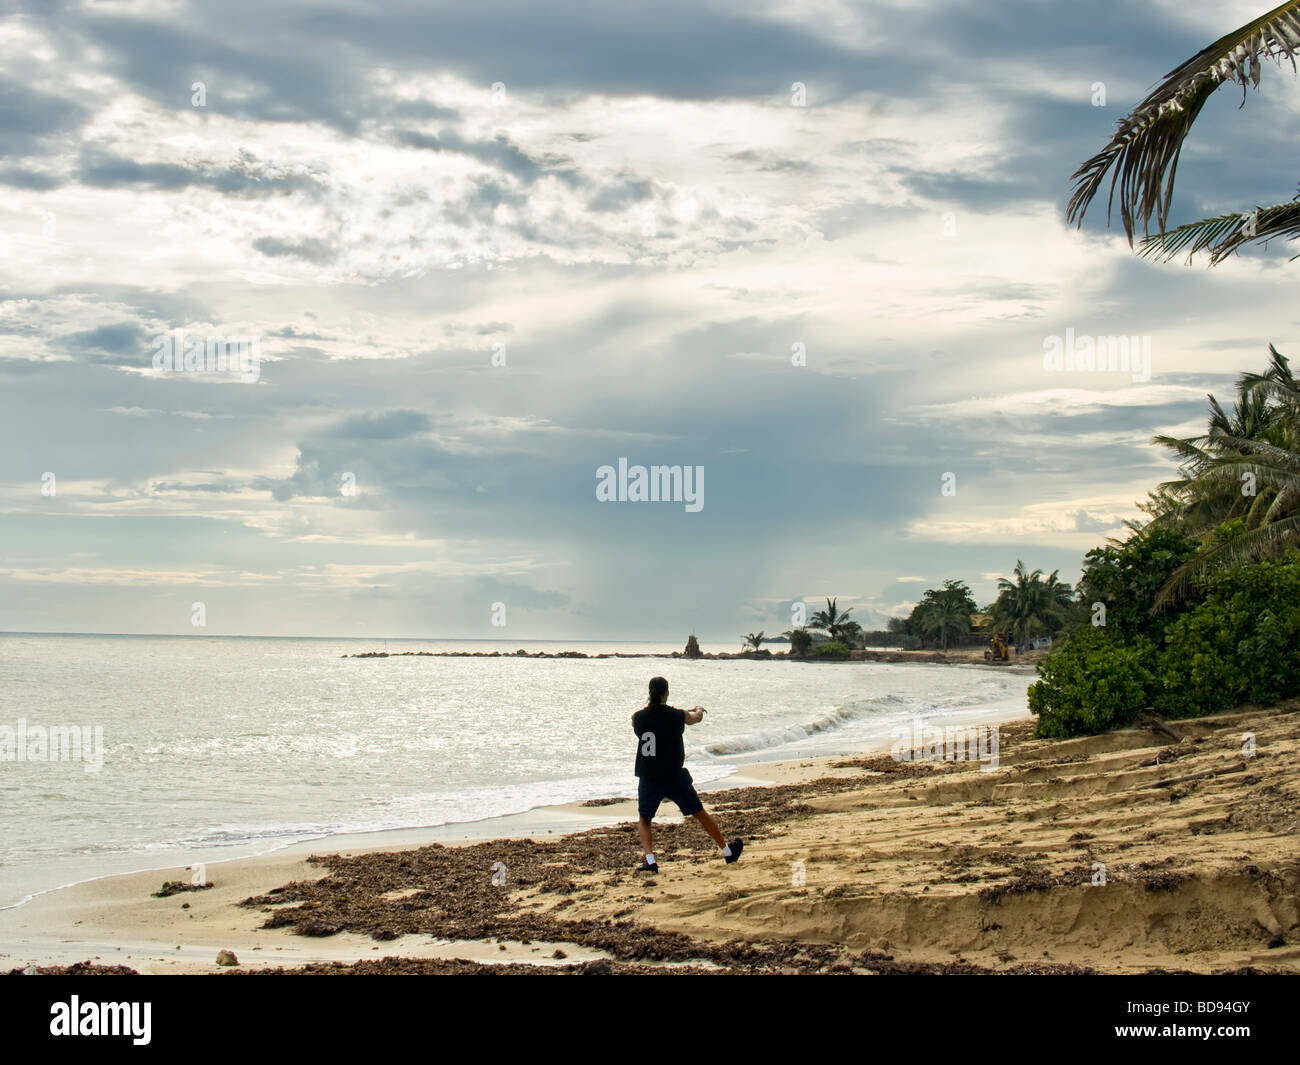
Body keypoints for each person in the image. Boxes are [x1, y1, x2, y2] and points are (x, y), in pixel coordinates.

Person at [631, 676, 742, 874]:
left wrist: (682, 712)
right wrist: (697, 709)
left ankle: (650, 860)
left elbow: (656, 721)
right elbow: (695, 718)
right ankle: (727, 851)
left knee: (645, 818)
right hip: (674, 775)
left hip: (649, 775)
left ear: (650, 692)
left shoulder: (637, 717)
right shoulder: (677, 715)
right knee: (699, 812)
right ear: (667, 692)